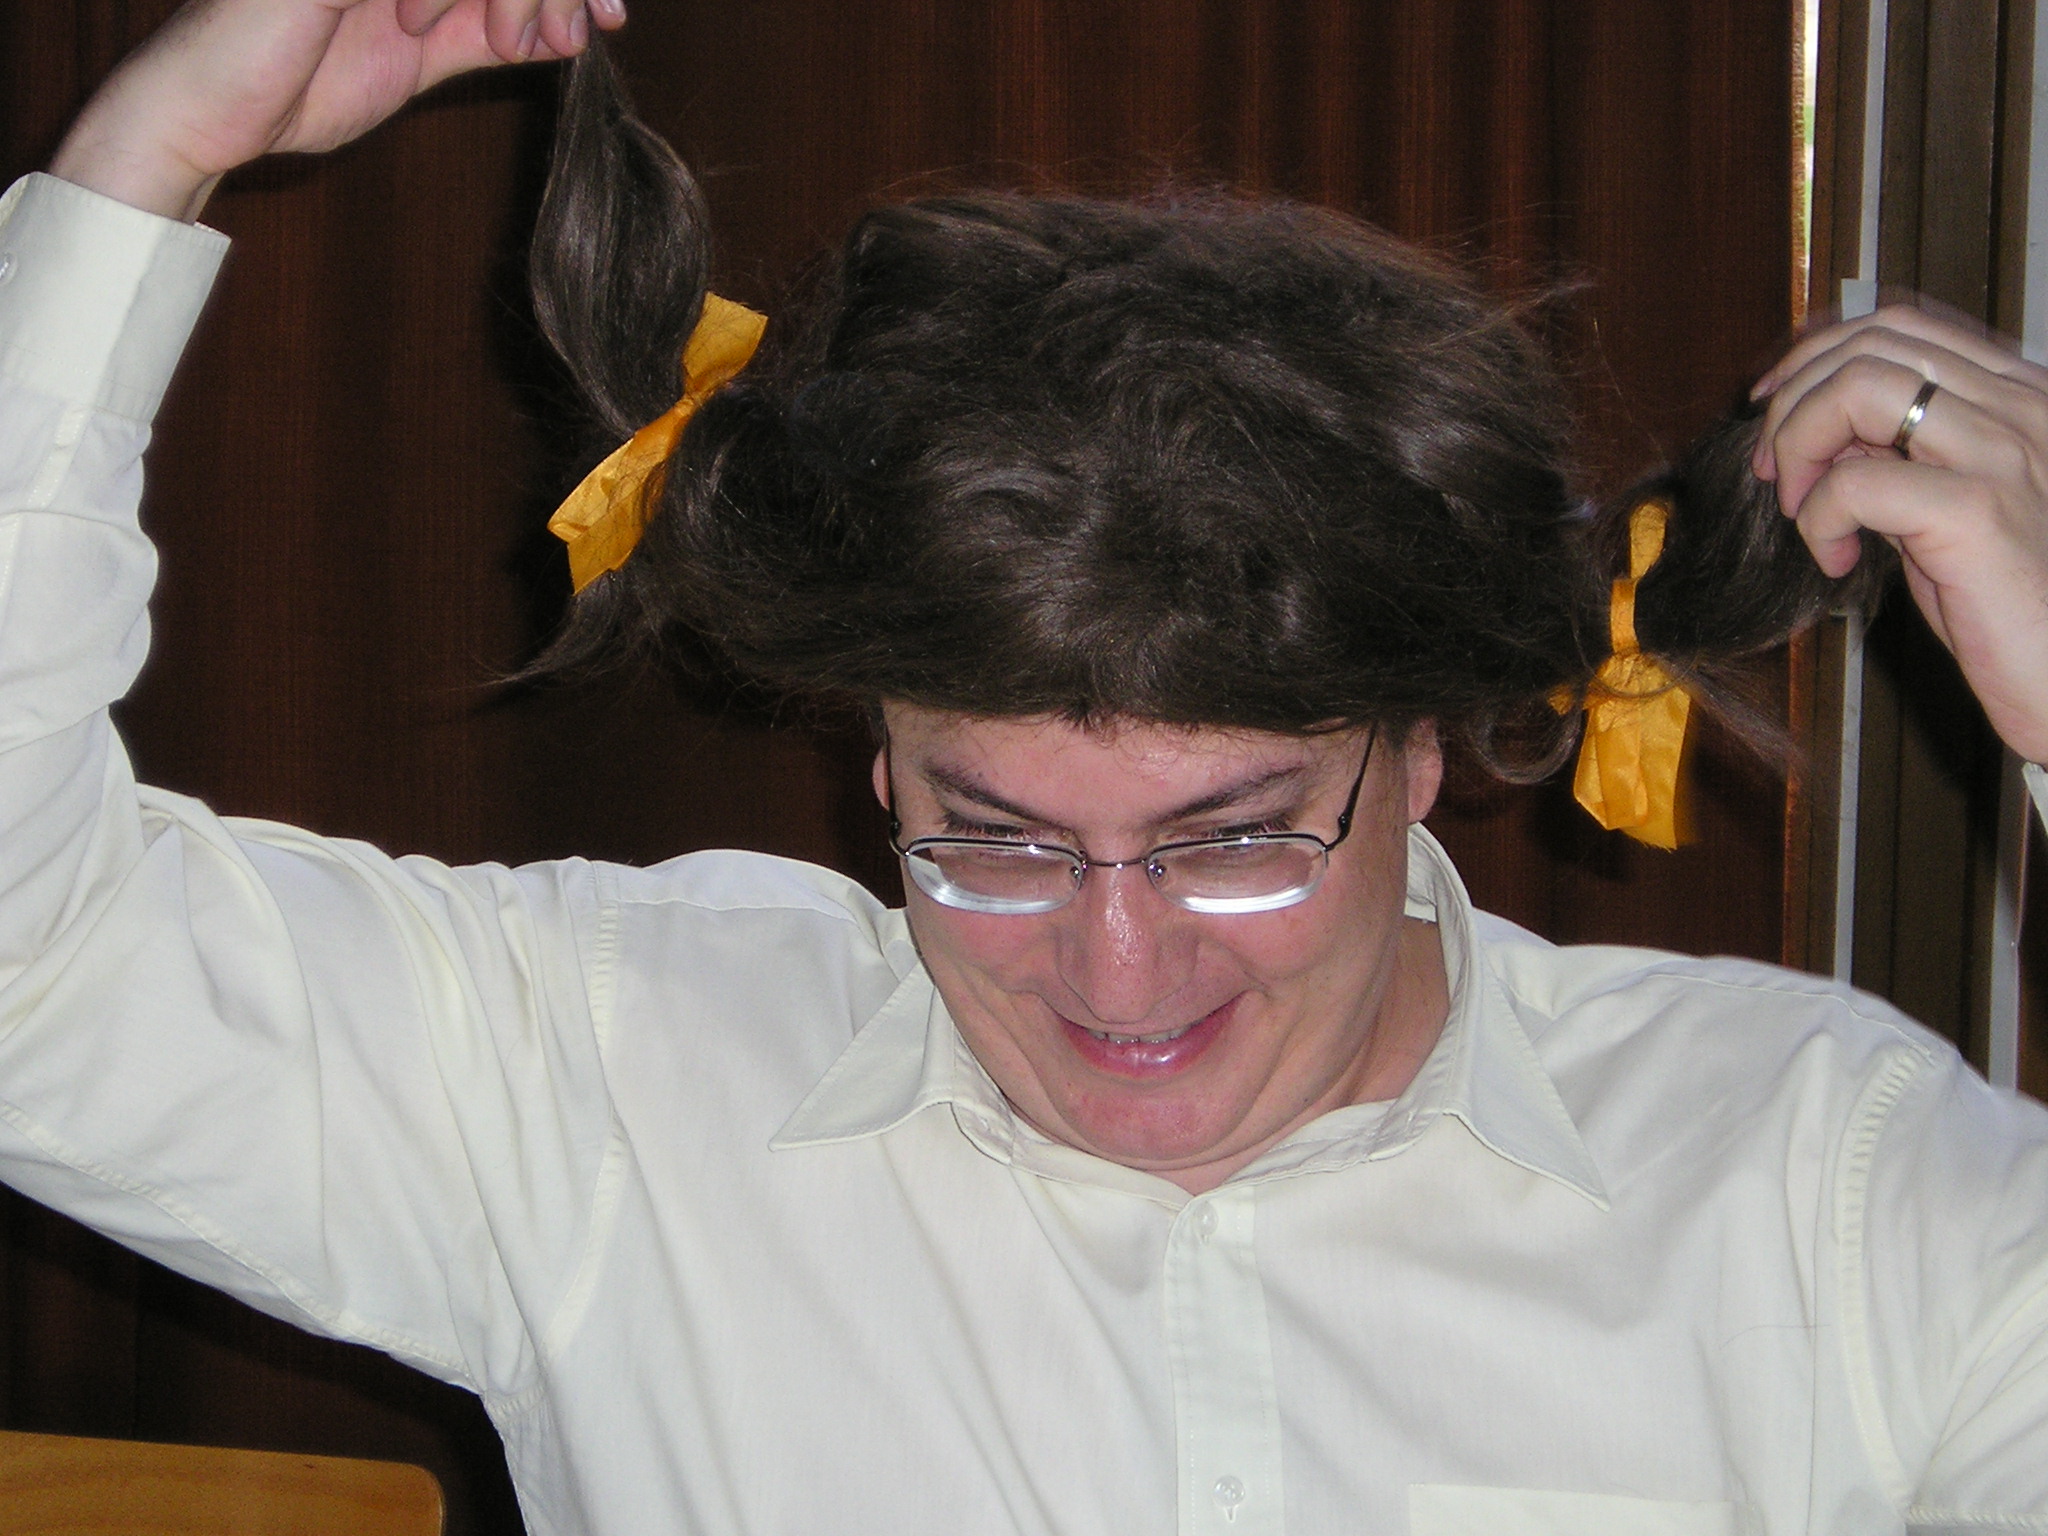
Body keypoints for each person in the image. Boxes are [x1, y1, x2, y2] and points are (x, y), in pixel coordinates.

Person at [4, 1, 2047, 1532]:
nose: (1116, 974)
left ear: (1418, 752)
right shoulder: (608, 1084)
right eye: (994, 845)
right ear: (882, 778)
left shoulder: (1819, 1180)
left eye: (1234, 842)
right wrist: (143, 161)